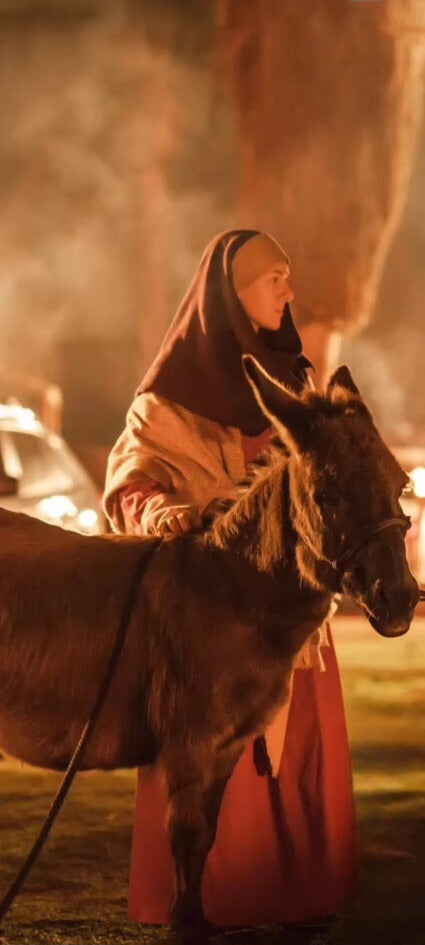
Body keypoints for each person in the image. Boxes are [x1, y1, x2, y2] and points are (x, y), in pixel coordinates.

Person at [103, 229, 357, 929]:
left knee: (295, 764)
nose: (288, 290)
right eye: (273, 277)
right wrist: (167, 511)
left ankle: (294, 894)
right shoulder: (168, 401)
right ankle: (208, 898)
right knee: (212, 765)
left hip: (294, 624)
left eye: (287, 275)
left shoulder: (296, 384)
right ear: (231, 295)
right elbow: (130, 482)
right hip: (209, 627)